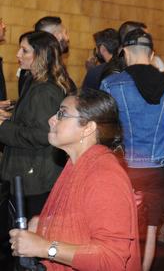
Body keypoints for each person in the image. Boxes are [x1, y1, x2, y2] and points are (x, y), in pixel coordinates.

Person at [8, 89, 140, 270]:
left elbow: (111, 260)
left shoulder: (104, 178)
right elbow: (82, 218)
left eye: (62, 113)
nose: (51, 119)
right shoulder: (76, 164)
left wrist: (45, 248)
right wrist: (46, 224)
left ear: (88, 128)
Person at [100, 29, 164, 271]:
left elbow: (103, 130)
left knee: (123, 226)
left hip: (124, 169)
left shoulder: (110, 83)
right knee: (151, 230)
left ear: (125, 52)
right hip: (159, 168)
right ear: (152, 54)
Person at [0, 32, 74, 218]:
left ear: (40, 54)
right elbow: (30, 118)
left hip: (35, 178)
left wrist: (2, 126)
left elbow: (42, 134)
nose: (18, 54)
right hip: (28, 173)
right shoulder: (34, 82)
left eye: (24, 50)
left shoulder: (45, 90)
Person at [19, 16, 73, 94]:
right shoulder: (37, 74)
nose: (67, 38)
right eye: (65, 32)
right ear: (56, 36)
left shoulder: (55, 67)